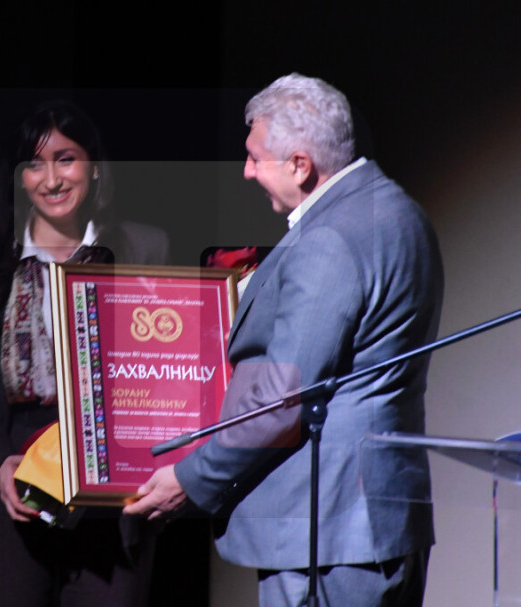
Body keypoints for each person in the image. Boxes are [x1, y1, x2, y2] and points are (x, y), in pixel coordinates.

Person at [124, 73, 444, 607]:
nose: (247, 171)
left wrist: (191, 480)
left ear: (300, 164)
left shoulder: (328, 239)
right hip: (384, 520)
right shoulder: (403, 213)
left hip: (324, 529)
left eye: (255, 158)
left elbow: (280, 402)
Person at [0, 99, 169, 607]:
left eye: (66, 159)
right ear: (19, 178)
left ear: (94, 168)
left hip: (110, 477)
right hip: (7, 464)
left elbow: (165, 369)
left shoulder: (143, 249)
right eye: (34, 164)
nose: (52, 178)